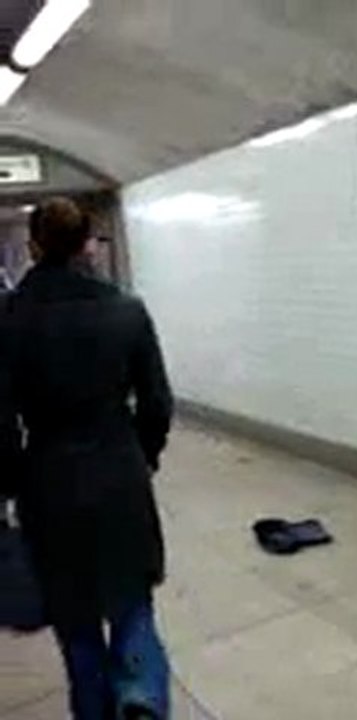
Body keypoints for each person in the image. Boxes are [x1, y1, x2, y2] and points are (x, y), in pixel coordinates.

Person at [0, 197, 174, 719]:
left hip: (48, 479)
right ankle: (141, 696)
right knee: (131, 598)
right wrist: (142, 455)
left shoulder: (7, 321)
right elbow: (157, 402)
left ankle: (95, 709)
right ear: (86, 247)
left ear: (32, 247)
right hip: (120, 470)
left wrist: (12, 482)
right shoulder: (126, 309)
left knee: (75, 619)